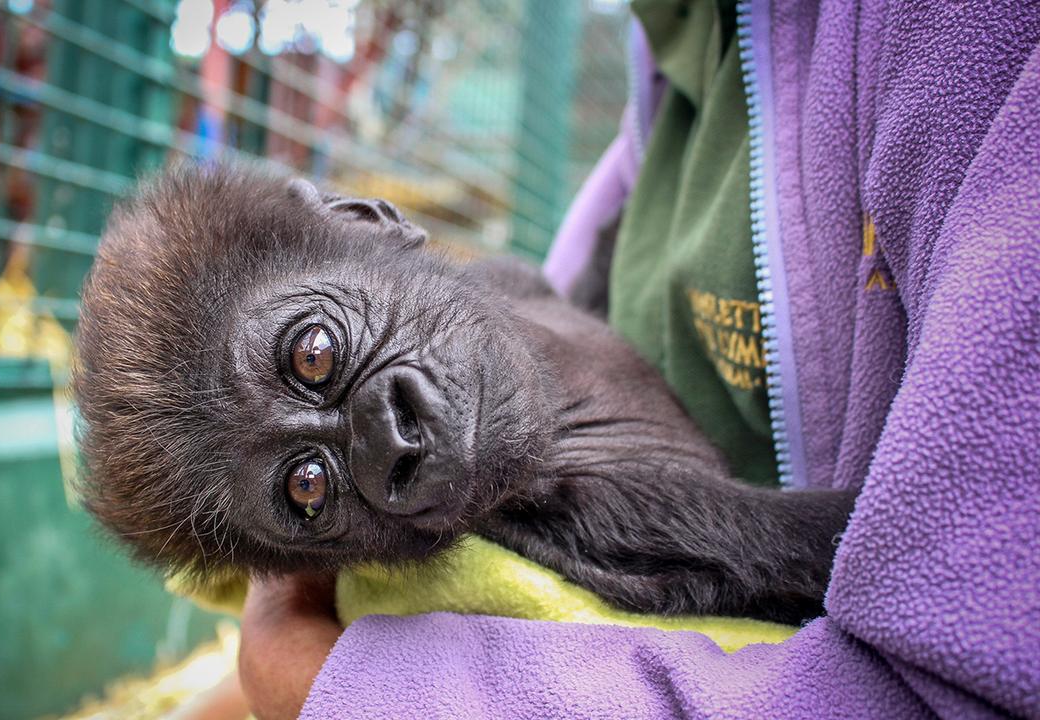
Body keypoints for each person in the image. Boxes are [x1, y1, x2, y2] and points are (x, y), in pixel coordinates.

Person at [238, 1, 1040, 717]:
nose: (396, 446)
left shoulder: (969, 38)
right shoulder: (668, 62)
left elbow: (984, 644)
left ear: (365, 224)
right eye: (304, 487)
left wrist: (331, 691)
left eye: (314, 353)